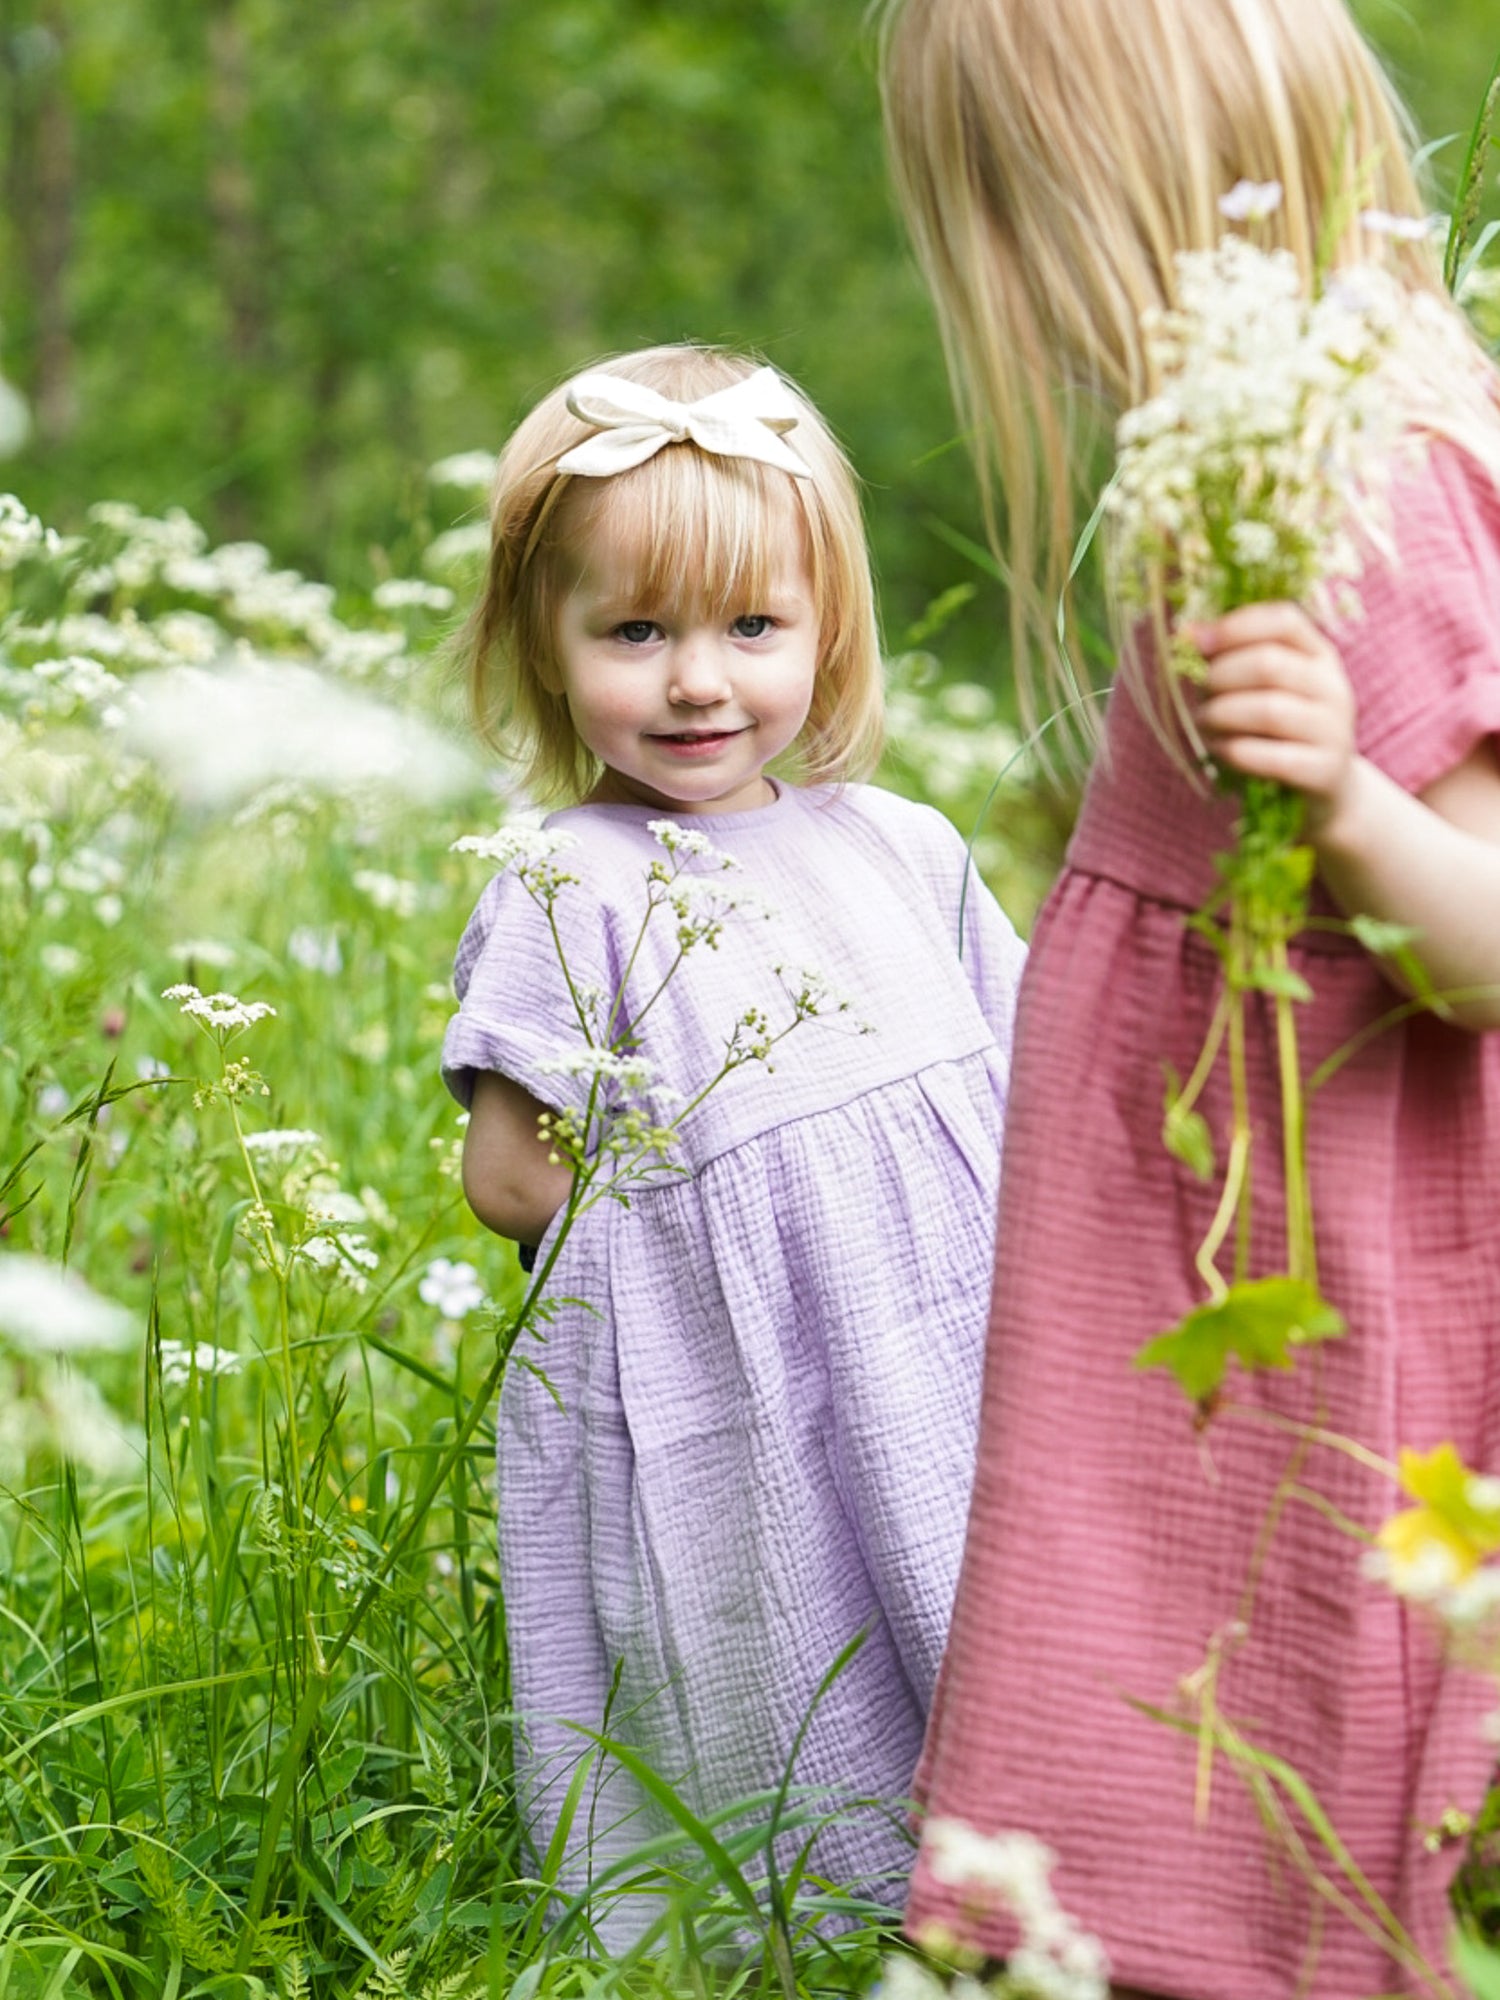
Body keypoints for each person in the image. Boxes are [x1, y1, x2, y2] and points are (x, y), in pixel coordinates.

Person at [878, 1, 1500, 1995]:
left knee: (1291, 1686)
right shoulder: (1232, 488)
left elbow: (1481, 949)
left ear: (1098, 211)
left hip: (1324, 1293)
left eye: (1008, 230)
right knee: (1161, 1692)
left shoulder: (1369, 494)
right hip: (1195, 1295)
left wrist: (1345, 801)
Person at [440, 343, 1027, 1937]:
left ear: (826, 627)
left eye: (752, 627)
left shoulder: (905, 842)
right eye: (634, 632)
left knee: (983, 1617)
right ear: (543, 647)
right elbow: (511, 1174)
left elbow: (1021, 1077)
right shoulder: (573, 877)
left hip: (951, 1357)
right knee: (781, 1642)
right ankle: (813, 1916)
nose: (698, 680)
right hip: (739, 1376)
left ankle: (1009, 1896)